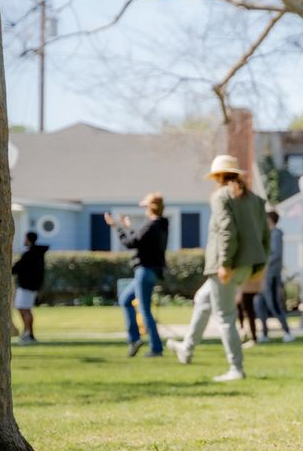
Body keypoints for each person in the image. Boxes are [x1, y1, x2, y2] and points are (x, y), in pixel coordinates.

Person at [167, 155, 270, 382]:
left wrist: (224, 263)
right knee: (202, 300)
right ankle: (187, 348)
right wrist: (260, 266)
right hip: (246, 266)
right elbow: (265, 235)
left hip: (226, 266)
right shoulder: (255, 200)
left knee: (225, 317)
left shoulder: (221, 196)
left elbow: (226, 231)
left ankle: (236, 368)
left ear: (218, 176)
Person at [106, 193, 169, 358]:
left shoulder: (152, 225)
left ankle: (156, 348)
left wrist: (117, 227)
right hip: (150, 271)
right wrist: (129, 228)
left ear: (150, 207)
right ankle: (134, 340)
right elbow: (141, 241)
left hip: (144, 271)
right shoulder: (160, 225)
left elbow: (130, 243)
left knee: (144, 310)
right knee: (125, 300)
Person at [254, 211, 294, 343]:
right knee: (259, 304)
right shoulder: (266, 235)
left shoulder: (276, 234)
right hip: (261, 276)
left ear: (270, 220)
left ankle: (288, 332)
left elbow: (276, 254)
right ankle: (264, 334)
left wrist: (262, 262)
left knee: (273, 304)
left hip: (271, 275)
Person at [12, 231, 48, 345]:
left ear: (28, 239)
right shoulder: (36, 253)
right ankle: (27, 332)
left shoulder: (30, 254)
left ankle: (29, 334)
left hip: (27, 286)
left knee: (25, 309)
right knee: (22, 308)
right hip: (30, 286)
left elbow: (17, 268)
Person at [236, 274, 262, 346]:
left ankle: (253, 338)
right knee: (245, 311)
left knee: (249, 312)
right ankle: (244, 332)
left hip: (247, 287)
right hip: (249, 286)